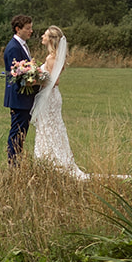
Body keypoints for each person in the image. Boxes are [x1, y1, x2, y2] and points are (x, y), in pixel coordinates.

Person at [31, 25, 88, 179]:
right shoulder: (55, 56)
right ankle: (53, 160)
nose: (42, 36)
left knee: (47, 128)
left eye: (45, 34)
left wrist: (34, 80)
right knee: (52, 127)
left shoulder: (52, 58)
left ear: (51, 39)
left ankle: (51, 163)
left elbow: (54, 81)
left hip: (50, 97)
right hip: (52, 97)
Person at [3, 14, 37, 164]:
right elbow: (16, 74)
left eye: (31, 28)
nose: (31, 31)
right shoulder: (13, 48)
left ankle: (17, 161)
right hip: (19, 97)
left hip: (25, 98)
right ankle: (13, 164)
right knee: (17, 132)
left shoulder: (22, 45)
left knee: (22, 132)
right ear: (18, 29)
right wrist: (36, 81)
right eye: (27, 28)